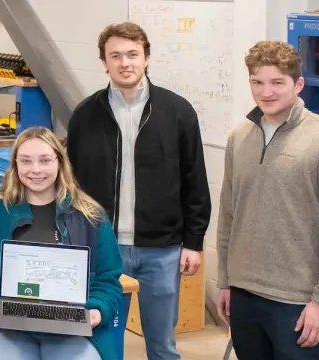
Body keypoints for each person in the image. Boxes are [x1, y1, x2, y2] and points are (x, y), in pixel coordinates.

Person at [64, 21, 210, 360]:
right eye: (115, 55)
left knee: (162, 345)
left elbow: (195, 181)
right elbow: (71, 185)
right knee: (97, 337)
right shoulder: (86, 115)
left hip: (162, 250)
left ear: (147, 58)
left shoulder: (177, 112)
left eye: (132, 54)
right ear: (104, 62)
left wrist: (194, 242)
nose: (125, 62)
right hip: (102, 247)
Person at [215, 41, 319, 359]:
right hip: (244, 295)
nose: (266, 92)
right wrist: (225, 281)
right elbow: (228, 213)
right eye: (257, 82)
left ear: (298, 85)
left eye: (277, 82)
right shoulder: (239, 138)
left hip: (298, 301)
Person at [0, 127, 125, 360]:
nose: (36, 170)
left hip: (72, 330)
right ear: (15, 165)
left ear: (60, 162)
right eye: (26, 161)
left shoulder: (90, 215)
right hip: (3, 326)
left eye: (45, 160)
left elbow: (108, 277)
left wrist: (96, 309)